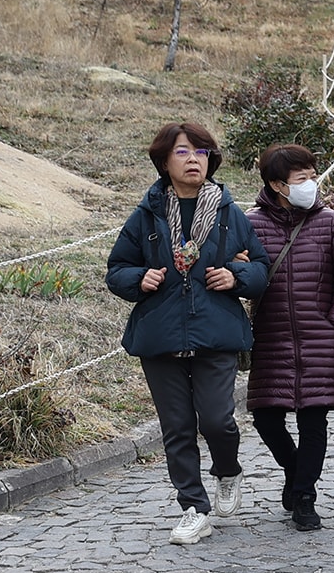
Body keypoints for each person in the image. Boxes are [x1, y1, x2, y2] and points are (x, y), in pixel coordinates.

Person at [105, 122, 270, 546]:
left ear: (211, 159)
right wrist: (138, 278)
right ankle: (194, 508)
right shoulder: (147, 215)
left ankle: (227, 470)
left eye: (200, 151)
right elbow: (117, 269)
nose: (193, 158)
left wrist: (235, 276)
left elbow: (262, 269)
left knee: (218, 420)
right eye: (182, 152)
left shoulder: (229, 212)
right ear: (164, 162)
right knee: (176, 427)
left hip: (216, 332)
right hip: (160, 335)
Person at [244, 143, 334, 531]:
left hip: (319, 335)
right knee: (265, 418)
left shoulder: (329, 222)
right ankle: (294, 470)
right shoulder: (251, 223)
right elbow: (246, 276)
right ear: (277, 185)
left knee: (313, 420)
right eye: (300, 179)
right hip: (271, 336)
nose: (311, 184)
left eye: (312, 175)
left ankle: (305, 496)